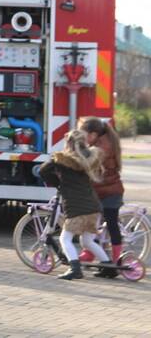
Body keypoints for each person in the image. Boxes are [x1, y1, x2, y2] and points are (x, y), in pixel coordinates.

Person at [38, 129, 110, 280]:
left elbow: (42, 171)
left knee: (65, 239)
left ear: (68, 142)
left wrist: (56, 183)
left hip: (77, 207)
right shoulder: (88, 159)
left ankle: (75, 269)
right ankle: (108, 266)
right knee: (88, 240)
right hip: (94, 207)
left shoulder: (61, 159)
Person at [80, 116, 125, 273]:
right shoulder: (99, 142)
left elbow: (89, 161)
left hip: (110, 192)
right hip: (102, 192)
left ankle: (116, 258)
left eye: (85, 135)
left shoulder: (102, 146)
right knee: (95, 222)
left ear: (93, 134)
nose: (85, 138)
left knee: (111, 224)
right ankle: (91, 251)